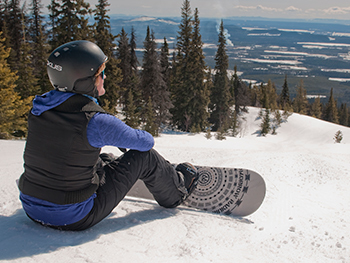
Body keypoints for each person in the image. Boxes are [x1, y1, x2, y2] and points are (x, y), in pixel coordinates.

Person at [18, 40, 199, 231]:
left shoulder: (39, 109)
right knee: (145, 157)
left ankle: (103, 164)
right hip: (74, 217)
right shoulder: (94, 120)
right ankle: (178, 190)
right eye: (100, 73)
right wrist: (123, 132)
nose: (104, 77)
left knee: (93, 155)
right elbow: (145, 142)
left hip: (32, 209)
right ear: (85, 80)